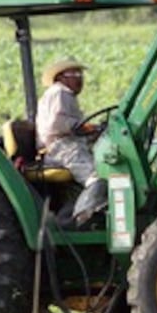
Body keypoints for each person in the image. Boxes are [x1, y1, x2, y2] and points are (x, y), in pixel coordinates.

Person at [36, 57, 107, 224]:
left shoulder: (61, 94)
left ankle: (65, 220)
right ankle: (81, 220)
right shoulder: (60, 93)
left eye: (80, 73)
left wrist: (94, 131)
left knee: (79, 189)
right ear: (61, 77)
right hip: (61, 148)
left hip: (66, 145)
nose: (79, 78)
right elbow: (57, 124)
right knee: (98, 179)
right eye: (74, 73)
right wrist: (85, 128)